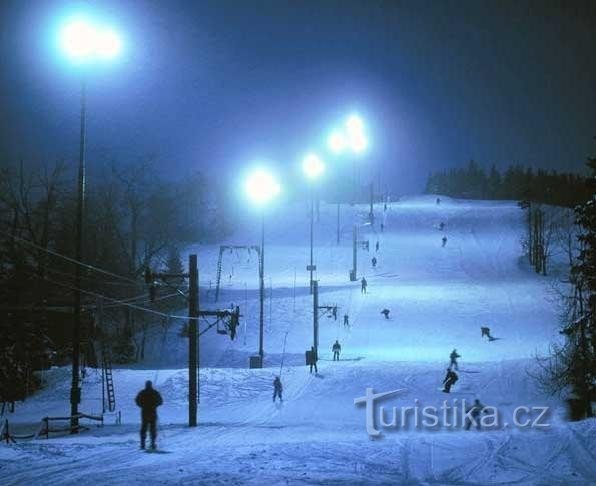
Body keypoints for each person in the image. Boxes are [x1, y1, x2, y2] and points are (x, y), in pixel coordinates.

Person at [135, 380, 163, 450]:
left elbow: (137, 400)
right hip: (153, 412)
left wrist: (142, 405)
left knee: (143, 428)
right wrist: (155, 405)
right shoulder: (155, 392)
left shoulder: (142, 392)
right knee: (153, 428)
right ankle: (153, 443)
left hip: (144, 412)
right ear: (151, 385)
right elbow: (161, 401)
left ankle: (142, 444)